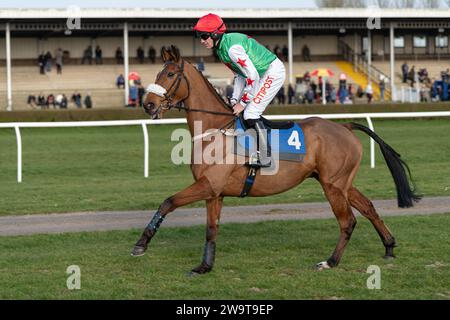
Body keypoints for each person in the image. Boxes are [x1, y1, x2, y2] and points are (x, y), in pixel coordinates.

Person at [193, 13, 286, 167]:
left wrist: (242, 103)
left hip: (272, 72)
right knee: (244, 111)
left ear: (215, 34)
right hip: (259, 74)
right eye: (199, 36)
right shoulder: (221, 50)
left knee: (250, 112)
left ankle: (266, 156)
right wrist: (234, 100)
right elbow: (239, 75)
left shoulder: (231, 50)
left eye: (204, 36)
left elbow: (253, 76)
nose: (202, 40)